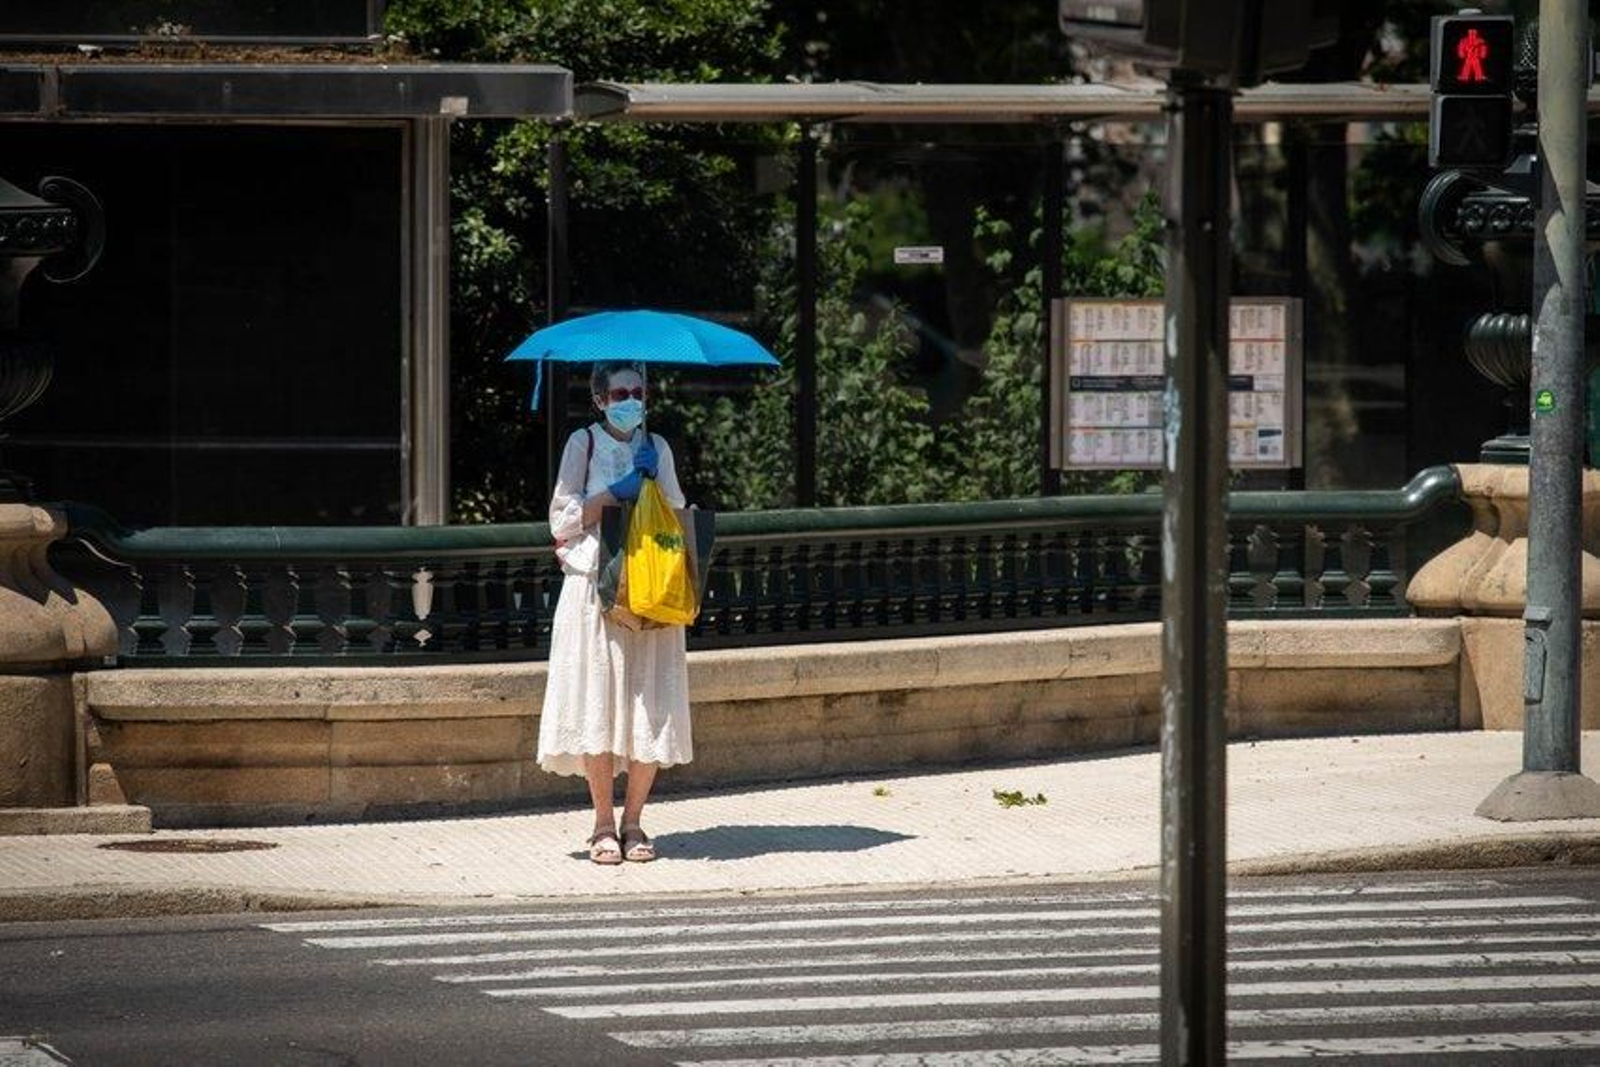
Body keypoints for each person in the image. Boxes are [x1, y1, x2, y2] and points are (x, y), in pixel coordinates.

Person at [537, 361, 691, 864]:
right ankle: (603, 823)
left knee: (651, 701)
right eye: (620, 393)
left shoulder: (658, 447)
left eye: (638, 391)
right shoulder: (581, 443)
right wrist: (612, 493)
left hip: (651, 586)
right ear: (600, 400)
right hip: (594, 586)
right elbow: (561, 521)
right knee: (597, 702)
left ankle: (634, 822)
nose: (631, 400)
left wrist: (653, 480)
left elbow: (677, 513)